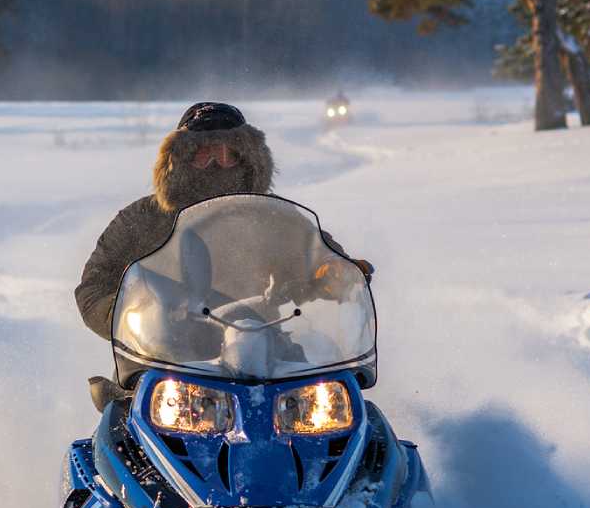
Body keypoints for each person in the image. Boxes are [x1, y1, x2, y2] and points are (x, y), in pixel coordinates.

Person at [75, 101, 371, 342]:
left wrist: (337, 273)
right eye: (203, 153)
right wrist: (133, 315)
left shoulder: (272, 217)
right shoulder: (143, 219)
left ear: (248, 159)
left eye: (226, 153)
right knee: (118, 413)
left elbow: (319, 255)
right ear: (180, 160)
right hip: (164, 357)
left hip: (259, 350)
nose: (215, 162)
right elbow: (93, 287)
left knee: (334, 404)